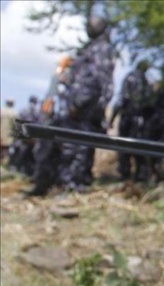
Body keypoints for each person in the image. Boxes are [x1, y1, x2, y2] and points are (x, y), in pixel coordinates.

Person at [27, 16, 115, 196]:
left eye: (95, 22)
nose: (90, 25)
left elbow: (95, 81)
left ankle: (71, 188)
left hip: (81, 112)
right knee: (57, 146)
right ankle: (48, 184)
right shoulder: (91, 49)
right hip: (71, 109)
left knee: (75, 150)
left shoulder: (101, 50)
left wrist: (77, 104)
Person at [110, 60, 153, 181]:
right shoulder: (147, 83)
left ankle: (125, 175)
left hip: (128, 118)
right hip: (140, 121)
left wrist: (112, 119)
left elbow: (121, 99)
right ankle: (141, 176)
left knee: (124, 147)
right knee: (139, 148)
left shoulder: (130, 78)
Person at [10, 96, 41, 175]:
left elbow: (18, 122)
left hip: (21, 134)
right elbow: (38, 124)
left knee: (19, 151)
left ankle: (15, 167)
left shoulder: (23, 110)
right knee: (28, 153)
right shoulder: (37, 111)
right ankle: (23, 169)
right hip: (30, 136)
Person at [0, 99, 18, 164]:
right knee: (5, 150)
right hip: (7, 135)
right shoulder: (14, 113)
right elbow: (15, 126)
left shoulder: (1, 111)